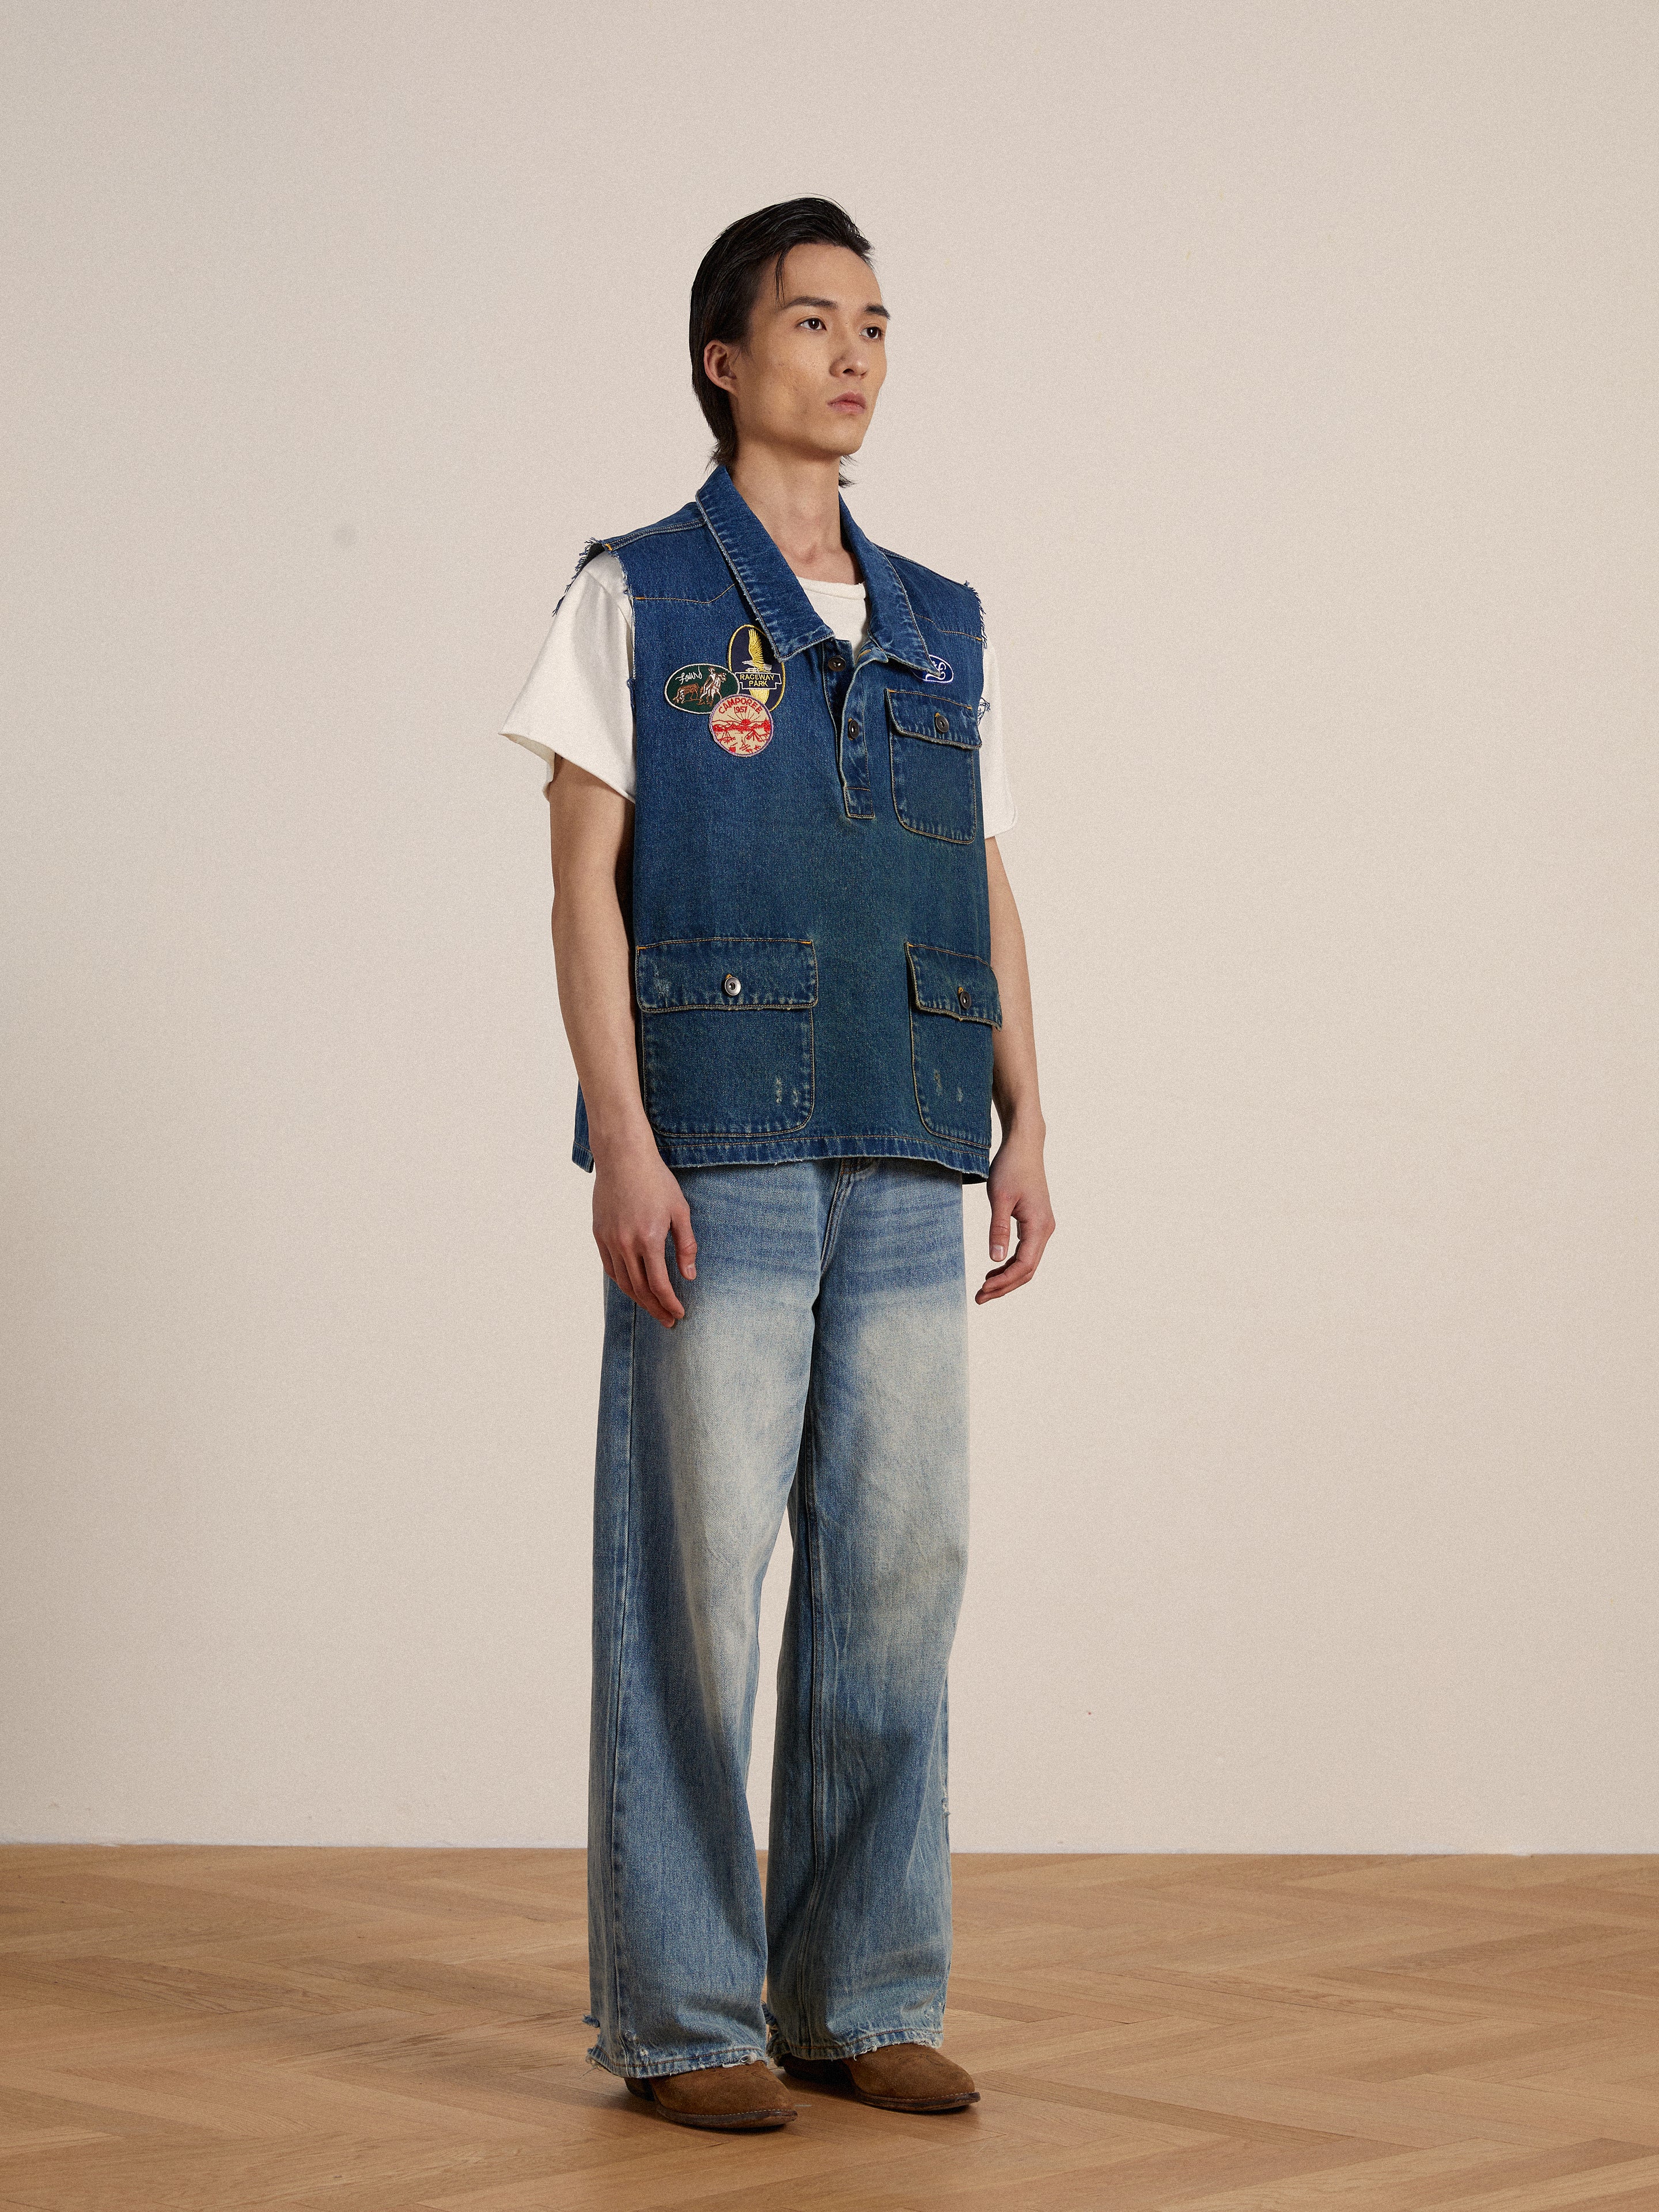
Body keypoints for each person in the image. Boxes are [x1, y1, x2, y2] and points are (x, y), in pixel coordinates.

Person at [498, 198, 1054, 2134]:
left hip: (907, 1142)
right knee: (694, 1593)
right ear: (725, 360)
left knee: (900, 1579)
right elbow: (581, 878)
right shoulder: (635, 593)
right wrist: (622, 1141)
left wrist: (1028, 1114)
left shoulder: (940, 621)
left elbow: (975, 872)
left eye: (879, 322)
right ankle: (684, 2018)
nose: (856, 353)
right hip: (713, 1151)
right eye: (813, 321)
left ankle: (859, 1985)